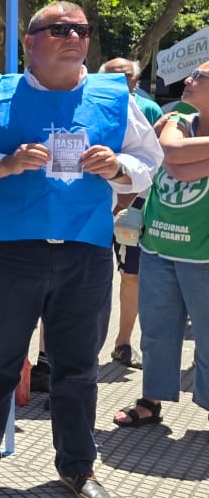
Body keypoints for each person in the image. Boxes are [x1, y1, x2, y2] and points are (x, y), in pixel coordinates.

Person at [0, 2, 161, 498]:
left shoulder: (114, 96)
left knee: (77, 367)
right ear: (30, 41)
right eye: (60, 29)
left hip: (85, 251)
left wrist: (118, 167)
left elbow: (149, 160)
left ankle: (77, 466)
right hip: (10, 250)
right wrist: (7, 162)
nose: (74, 37)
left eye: (82, 30)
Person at [113, 63, 209, 427]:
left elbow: (177, 163)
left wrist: (180, 158)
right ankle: (150, 401)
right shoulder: (177, 119)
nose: (188, 80)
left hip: (203, 257)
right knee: (156, 333)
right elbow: (170, 154)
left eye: (200, 77)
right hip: (157, 248)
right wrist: (177, 157)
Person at [100, 57, 162, 369]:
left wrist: (125, 203)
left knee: (131, 277)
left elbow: (153, 160)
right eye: (111, 75)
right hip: (93, 210)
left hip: (133, 210)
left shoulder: (149, 110)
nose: (118, 80)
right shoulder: (89, 103)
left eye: (125, 75)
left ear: (136, 80)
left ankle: (123, 343)